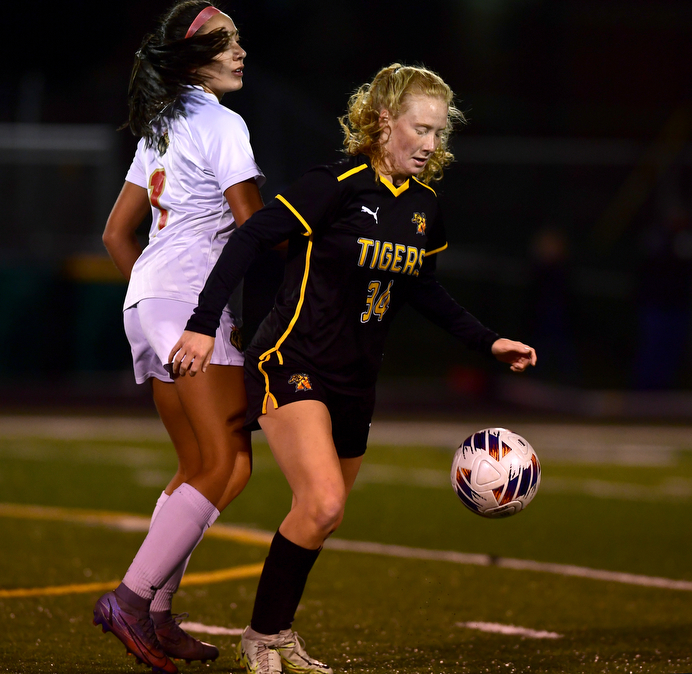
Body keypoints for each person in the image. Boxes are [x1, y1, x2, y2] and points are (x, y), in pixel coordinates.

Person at [173, 64, 537, 674]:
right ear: (383, 122)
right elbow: (250, 238)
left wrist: (488, 341)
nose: (431, 143)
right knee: (320, 504)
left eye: (440, 133)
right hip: (292, 359)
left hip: (356, 377)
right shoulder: (335, 184)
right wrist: (203, 323)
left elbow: (423, 289)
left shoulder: (425, 207)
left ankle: (277, 631)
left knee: (324, 514)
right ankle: (260, 638)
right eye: (420, 129)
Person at [93, 3, 265, 673]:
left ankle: (158, 615)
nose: (242, 52)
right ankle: (132, 601)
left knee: (211, 466)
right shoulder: (223, 123)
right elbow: (253, 228)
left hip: (151, 300)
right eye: (230, 44)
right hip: (189, 303)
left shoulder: (162, 125)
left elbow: (115, 235)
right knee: (225, 465)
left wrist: (154, 302)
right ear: (198, 61)